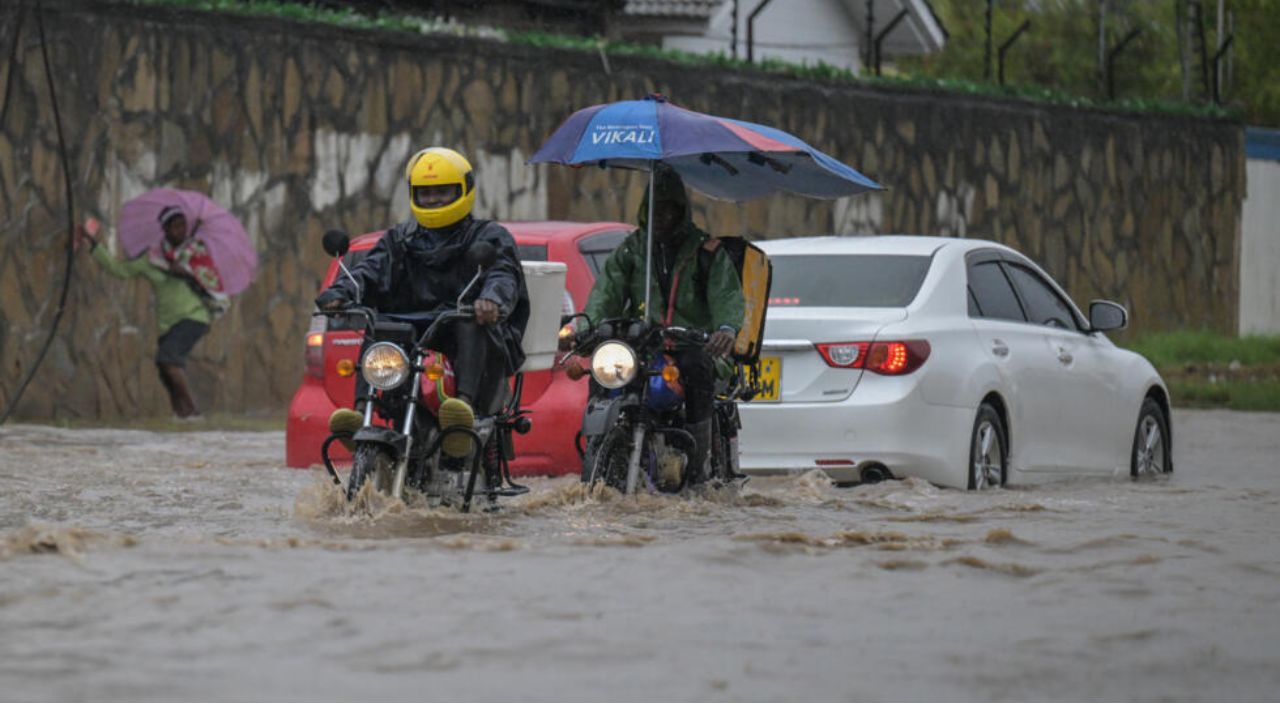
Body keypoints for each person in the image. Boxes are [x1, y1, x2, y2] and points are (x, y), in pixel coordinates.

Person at [315, 146, 530, 458]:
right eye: (425, 193)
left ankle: (462, 414)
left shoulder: (489, 236)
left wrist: (491, 299)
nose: (433, 200)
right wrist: (341, 292)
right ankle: (361, 412)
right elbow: (370, 269)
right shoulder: (400, 238)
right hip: (410, 333)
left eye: (443, 192)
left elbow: (503, 273)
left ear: (464, 190)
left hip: (467, 334)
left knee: (467, 321)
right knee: (380, 328)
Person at [579, 162, 745, 483]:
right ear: (646, 210)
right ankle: (599, 450)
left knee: (698, 369)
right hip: (641, 345)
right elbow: (606, 292)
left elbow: (727, 296)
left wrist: (725, 330)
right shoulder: (631, 249)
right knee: (603, 373)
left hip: (692, 345)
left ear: (682, 211)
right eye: (658, 210)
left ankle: (699, 468)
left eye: (671, 211)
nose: (663, 218)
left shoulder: (705, 251)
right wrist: (590, 327)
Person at [75, 207, 218, 419]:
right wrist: (93, 245)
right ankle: (180, 416)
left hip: (194, 317)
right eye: (175, 226)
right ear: (165, 230)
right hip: (168, 324)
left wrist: (188, 273)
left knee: (168, 360)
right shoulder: (151, 258)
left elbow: (210, 279)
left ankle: (193, 414)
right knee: (164, 369)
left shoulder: (192, 252)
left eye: (183, 225)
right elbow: (119, 270)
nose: (180, 230)